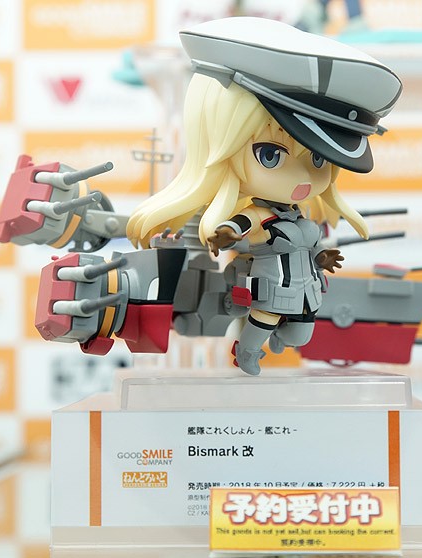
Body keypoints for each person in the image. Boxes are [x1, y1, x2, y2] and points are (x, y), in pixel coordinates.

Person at [126, 17, 402, 374]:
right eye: (271, 155)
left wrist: (322, 257)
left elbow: (310, 249)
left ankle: (277, 337)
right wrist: (225, 233)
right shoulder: (261, 216)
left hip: (305, 290)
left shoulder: (299, 217)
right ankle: (247, 352)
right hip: (270, 289)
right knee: (264, 320)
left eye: (319, 158)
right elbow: (241, 224)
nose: (302, 176)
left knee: (300, 334)